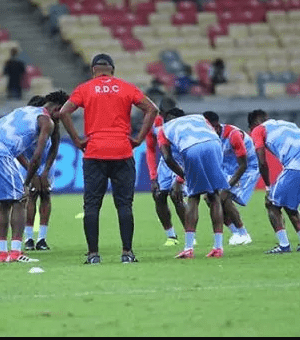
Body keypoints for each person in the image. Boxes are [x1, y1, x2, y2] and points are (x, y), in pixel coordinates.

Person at [58, 53, 159, 264]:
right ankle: (127, 253)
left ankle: (93, 255)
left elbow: (63, 112)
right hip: (122, 150)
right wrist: (139, 138)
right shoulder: (126, 87)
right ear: (112, 69)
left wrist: (77, 139)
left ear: (93, 69)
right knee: (124, 205)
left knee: (92, 205)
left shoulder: (85, 88)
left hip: (94, 151)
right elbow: (152, 109)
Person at [0, 90, 69, 263]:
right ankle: (16, 253)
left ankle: (3, 254)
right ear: (58, 108)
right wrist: (27, 182)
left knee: (5, 202)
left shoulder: (25, 110)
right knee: (20, 199)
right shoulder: (47, 121)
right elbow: (37, 157)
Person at [157, 108, 232, 259]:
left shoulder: (163, 129)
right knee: (214, 195)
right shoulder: (199, 117)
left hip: (191, 148)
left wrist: (182, 177)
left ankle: (188, 248)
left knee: (193, 197)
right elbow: (213, 133)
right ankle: (218, 247)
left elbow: (167, 157)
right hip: (215, 145)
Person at [248, 109, 300, 254]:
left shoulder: (258, 130)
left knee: (271, 203)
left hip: (297, 167)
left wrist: (268, 187)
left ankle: (283, 246)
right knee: (289, 205)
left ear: (254, 124)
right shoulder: (287, 124)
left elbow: (262, 161)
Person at [204, 111, 255, 246]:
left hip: (247, 168)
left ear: (215, 126)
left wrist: (227, 187)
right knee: (209, 198)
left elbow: (243, 164)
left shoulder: (233, 135)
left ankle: (244, 233)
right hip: (228, 167)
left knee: (224, 196)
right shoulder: (209, 136)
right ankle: (236, 232)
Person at [22, 95, 61, 251]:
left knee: (45, 194)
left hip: (44, 162)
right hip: (27, 162)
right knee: (31, 195)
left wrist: (45, 171)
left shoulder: (52, 123)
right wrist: (32, 174)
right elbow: (21, 150)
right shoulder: (27, 124)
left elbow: (54, 148)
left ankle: (42, 239)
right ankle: (29, 239)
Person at [144, 111, 188, 246]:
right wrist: (153, 178)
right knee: (158, 196)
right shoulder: (153, 124)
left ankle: (190, 234)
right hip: (165, 162)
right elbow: (150, 150)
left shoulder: (185, 127)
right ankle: (171, 236)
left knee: (176, 196)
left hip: (183, 161)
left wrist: (181, 179)